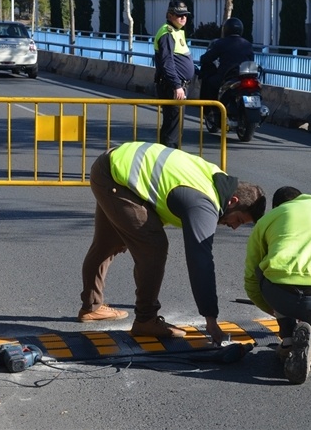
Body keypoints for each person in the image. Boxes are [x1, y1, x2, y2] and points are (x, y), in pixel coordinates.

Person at [78, 141, 267, 345]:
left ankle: (91, 307)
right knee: (154, 247)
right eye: (238, 220)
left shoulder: (218, 180)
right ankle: (145, 319)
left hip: (115, 165)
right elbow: (200, 262)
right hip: (117, 178)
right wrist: (211, 319)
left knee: (107, 243)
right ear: (233, 201)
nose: (234, 227)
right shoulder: (204, 203)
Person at [244, 186, 311, 384]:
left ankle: (288, 340)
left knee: (265, 268)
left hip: (280, 293)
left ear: (277, 207)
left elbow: (251, 277)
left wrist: (272, 309)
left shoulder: (270, 218)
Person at [153, 0, 194, 148]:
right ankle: (167, 158)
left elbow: (178, 58)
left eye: (185, 15)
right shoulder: (167, 33)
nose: (183, 18)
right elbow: (167, 63)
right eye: (179, 15)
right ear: (169, 15)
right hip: (172, 86)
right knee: (172, 129)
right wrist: (177, 85)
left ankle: (166, 156)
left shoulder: (177, 32)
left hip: (177, 85)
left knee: (174, 126)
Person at [198, 17, 255, 103]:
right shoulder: (248, 44)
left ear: (226, 29)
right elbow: (251, 60)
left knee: (209, 81)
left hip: (226, 76)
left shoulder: (221, 43)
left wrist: (203, 59)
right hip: (244, 76)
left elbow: (208, 58)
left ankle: (211, 107)